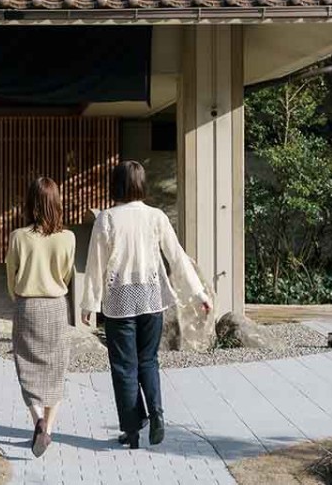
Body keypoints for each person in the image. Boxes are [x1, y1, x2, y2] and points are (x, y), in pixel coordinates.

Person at [81, 161, 210, 449]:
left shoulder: (107, 218)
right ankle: (157, 414)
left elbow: (95, 264)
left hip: (120, 300)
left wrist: (89, 302)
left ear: (116, 184)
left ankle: (132, 431)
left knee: (124, 367)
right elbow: (177, 257)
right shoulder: (156, 217)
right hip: (152, 297)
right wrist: (199, 293)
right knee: (148, 361)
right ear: (141, 183)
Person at [5, 176, 76, 458]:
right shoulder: (68, 237)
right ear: (56, 203)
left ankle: (37, 422)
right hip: (56, 306)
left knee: (27, 366)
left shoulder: (18, 237)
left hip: (27, 306)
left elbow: (11, 275)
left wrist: (18, 297)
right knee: (56, 369)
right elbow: (68, 273)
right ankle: (48, 430)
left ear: (31, 203)